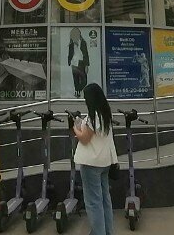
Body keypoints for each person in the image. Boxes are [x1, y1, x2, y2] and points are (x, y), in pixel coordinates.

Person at [73, 83, 117, 235]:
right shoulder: (106, 114)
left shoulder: (93, 116)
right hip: (105, 162)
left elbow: (85, 139)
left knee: (93, 202)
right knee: (105, 200)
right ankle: (107, 231)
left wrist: (75, 128)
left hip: (91, 164)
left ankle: (99, 232)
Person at [68, 28, 90, 97]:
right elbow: (70, 54)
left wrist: (86, 65)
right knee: (76, 80)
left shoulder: (83, 43)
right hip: (74, 63)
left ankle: (78, 90)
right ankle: (77, 93)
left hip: (81, 63)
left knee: (84, 81)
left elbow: (86, 54)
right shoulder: (71, 44)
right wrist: (69, 62)